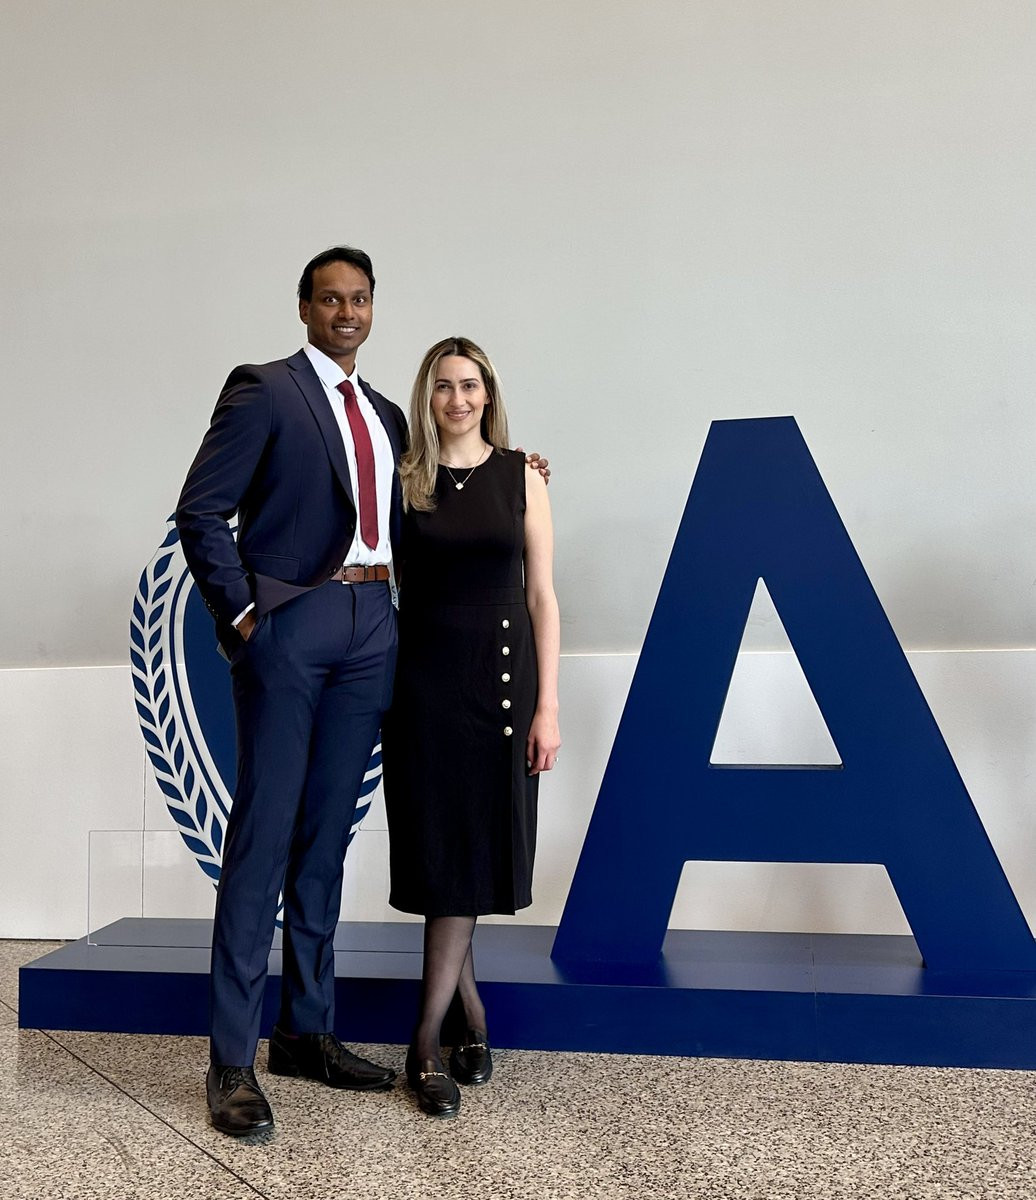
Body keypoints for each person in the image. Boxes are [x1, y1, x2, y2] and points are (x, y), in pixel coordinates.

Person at [176, 249, 548, 1136]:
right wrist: (245, 617)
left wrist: (520, 474)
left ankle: (306, 1032)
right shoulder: (264, 390)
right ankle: (231, 1060)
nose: (347, 311)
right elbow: (201, 509)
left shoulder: (387, 416)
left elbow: (450, 493)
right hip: (293, 627)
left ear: (373, 309)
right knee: (263, 835)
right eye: (331, 299)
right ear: (305, 307)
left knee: (325, 838)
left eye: (360, 299)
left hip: (377, 631)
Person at [381, 337, 561, 1118]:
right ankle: (451, 1030)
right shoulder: (403, 480)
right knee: (442, 859)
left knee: (473, 856)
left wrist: (548, 706)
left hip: (501, 685)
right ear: (428, 398)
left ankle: (435, 1036)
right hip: (422, 688)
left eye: (470, 385)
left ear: (488, 393)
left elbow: (542, 596)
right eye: (444, 387)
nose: (458, 399)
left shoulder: (523, 476)